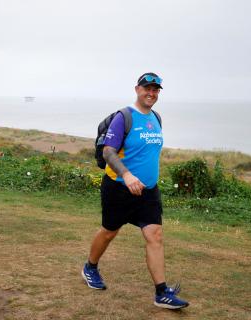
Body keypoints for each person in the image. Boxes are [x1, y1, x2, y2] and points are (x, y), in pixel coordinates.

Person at [82, 73, 189, 309]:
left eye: (156, 89)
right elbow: (109, 152)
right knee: (109, 232)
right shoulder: (124, 117)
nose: (151, 93)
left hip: (148, 192)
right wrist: (127, 175)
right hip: (119, 189)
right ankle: (90, 266)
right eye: (147, 88)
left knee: (155, 236)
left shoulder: (156, 118)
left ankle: (162, 292)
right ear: (137, 89)